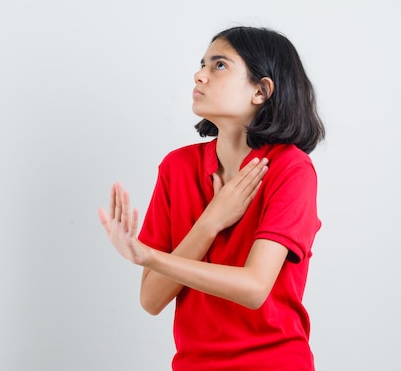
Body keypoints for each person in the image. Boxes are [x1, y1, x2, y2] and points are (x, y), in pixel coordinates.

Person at [98, 25, 325, 371]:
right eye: (202, 64)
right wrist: (210, 222)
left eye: (219, 65)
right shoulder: (177, 167)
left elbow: (254, 288)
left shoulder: (291, 169)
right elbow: (152, 298)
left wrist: (148, 256)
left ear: (261, 91)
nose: (199, 75)